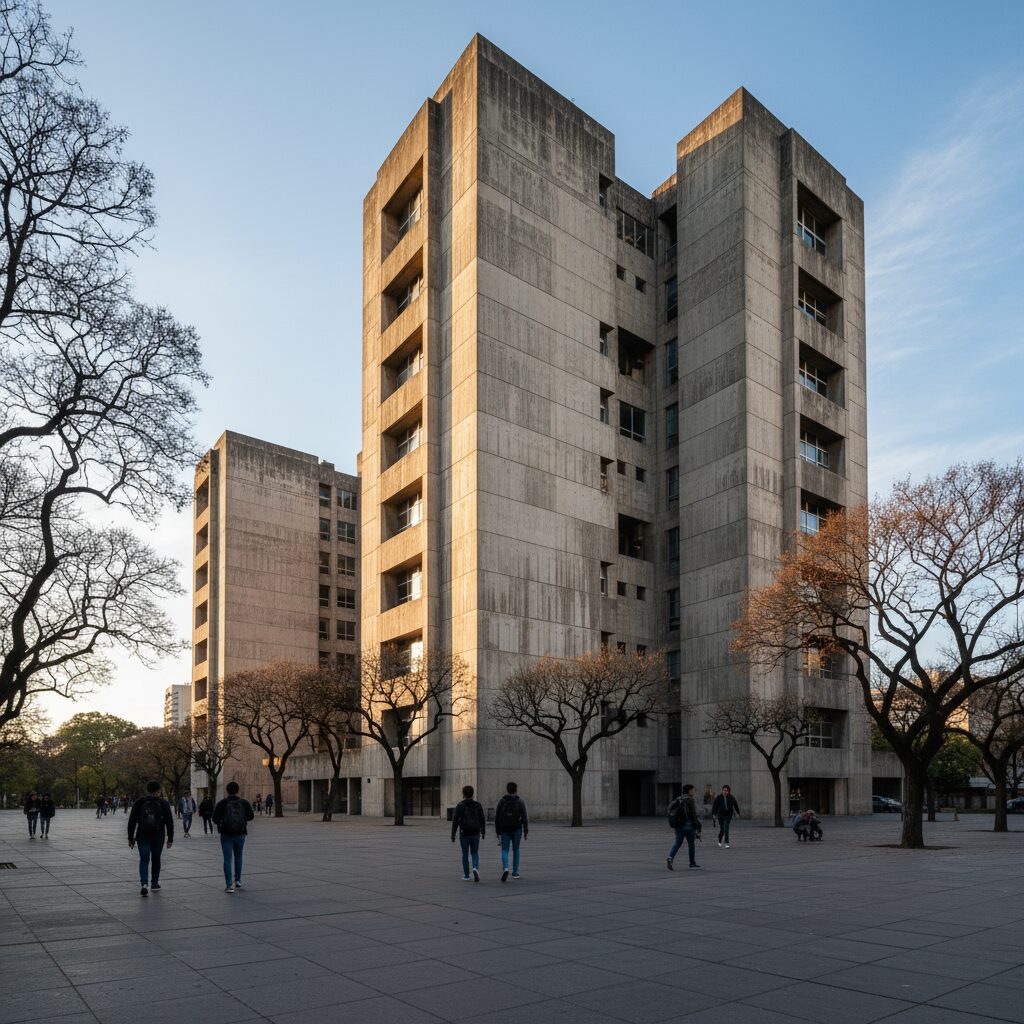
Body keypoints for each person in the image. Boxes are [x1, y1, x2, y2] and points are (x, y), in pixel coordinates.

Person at [127, 780, 174, 897]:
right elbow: (169, 822)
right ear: (158, 791)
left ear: (147, 790)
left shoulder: (140, 802)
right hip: (158, 836)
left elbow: (132, 821)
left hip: (143, 836)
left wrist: (130, 838)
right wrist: (170, 839)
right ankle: (154, 883)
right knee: (156, 859)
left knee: (144, 860)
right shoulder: (163, 803)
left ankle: (144, 884)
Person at [213, 781, 254, 893]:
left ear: (227, 791)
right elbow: (251, 817)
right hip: (240, 834)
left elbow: (215, 819)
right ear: (237, 790)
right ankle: (238, 881)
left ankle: (229, 885)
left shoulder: (222, 803)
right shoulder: (244, 803)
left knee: (227, 859)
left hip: (226, 834)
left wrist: (222, 822)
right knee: (238, 857)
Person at [494, 781, 528, 882]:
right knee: (516, 850)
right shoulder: (520, 801)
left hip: (504, 829)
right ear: (516, 790)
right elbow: (524, 817)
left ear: (507, 790)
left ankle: (505, 868)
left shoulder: (502, 801)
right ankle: (515, 872)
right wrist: (525, 830)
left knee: (505, 849)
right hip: (517, 828)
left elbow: (497, 817)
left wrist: (497, 831)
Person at [451, 785, 486, 882]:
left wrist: (453, 834)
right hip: (475, 832)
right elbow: (482, 819)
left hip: (464, 833)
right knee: (475, 852)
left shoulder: (460, 805)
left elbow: (455, 821)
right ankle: (475, 868)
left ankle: (467, 875)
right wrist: (483, 831)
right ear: (473, 793)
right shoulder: (478, 805)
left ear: (463, 794)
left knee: (465, 854)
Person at [667, 783, 701, 870]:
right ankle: (692, 863)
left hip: (678, 826)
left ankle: (670, 857)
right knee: (691, 844)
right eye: (693, 790)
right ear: (689, 791)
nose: (694, 792)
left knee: (677, 843)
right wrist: (697, 826)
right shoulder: (690, 800)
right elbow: (693, 815)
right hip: (689, 827)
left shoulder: (679, 799)